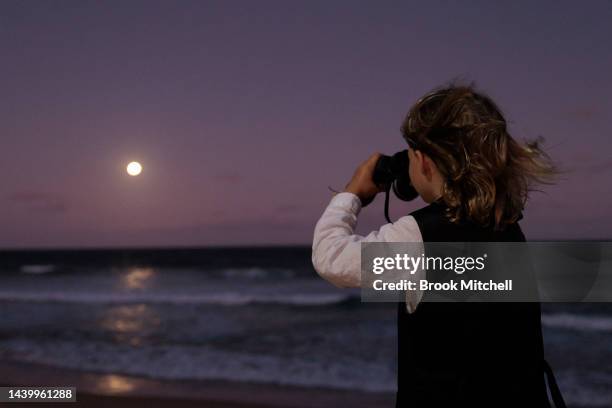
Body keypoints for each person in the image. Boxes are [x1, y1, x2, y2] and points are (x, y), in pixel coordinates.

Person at [311, 84, 565, 407]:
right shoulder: (509, 228)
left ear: (425, 162)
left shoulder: (420, 237)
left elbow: (330, 257)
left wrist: (352, 194)